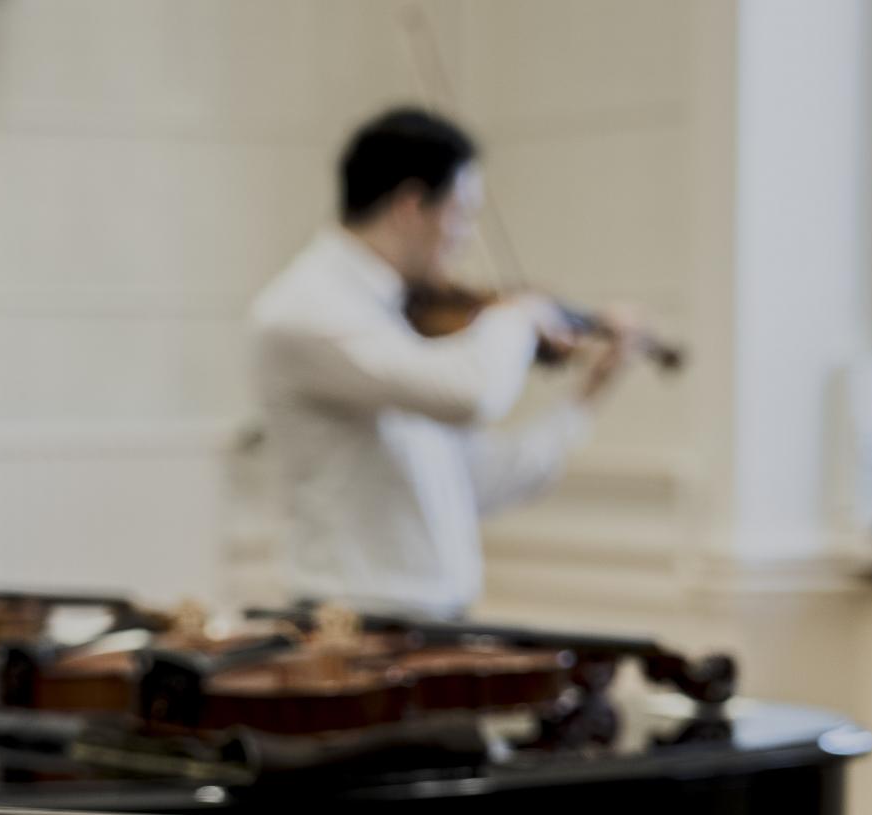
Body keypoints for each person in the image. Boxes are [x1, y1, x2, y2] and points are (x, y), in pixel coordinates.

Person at [249, 106, 645, 619]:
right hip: (354, 626)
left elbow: (480, 484)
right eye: (462, 213)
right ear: (412, 205)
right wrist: (519, 315)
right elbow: (469, 395)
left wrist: (587, 398)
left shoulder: (400, 316)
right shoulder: (305, 311)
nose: (464, 237)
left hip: (434, 620)